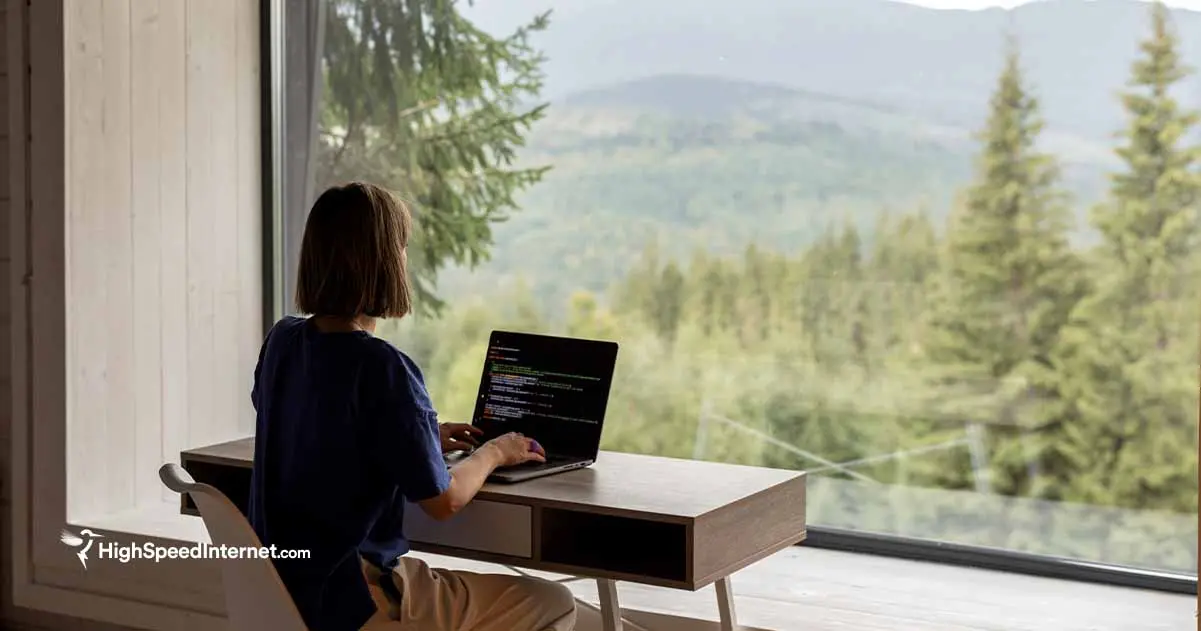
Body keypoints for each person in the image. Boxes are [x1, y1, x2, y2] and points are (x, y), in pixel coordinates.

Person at [248, 182, 578, 631]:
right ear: (382, 261)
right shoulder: (383, 367)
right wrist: (496, 452)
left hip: (284, 593)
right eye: (401, 247)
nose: (406, 258)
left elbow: (311, 419)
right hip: (358, 600)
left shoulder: (283, 341)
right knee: (553, 601)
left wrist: (414, 440)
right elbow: (445, 501)